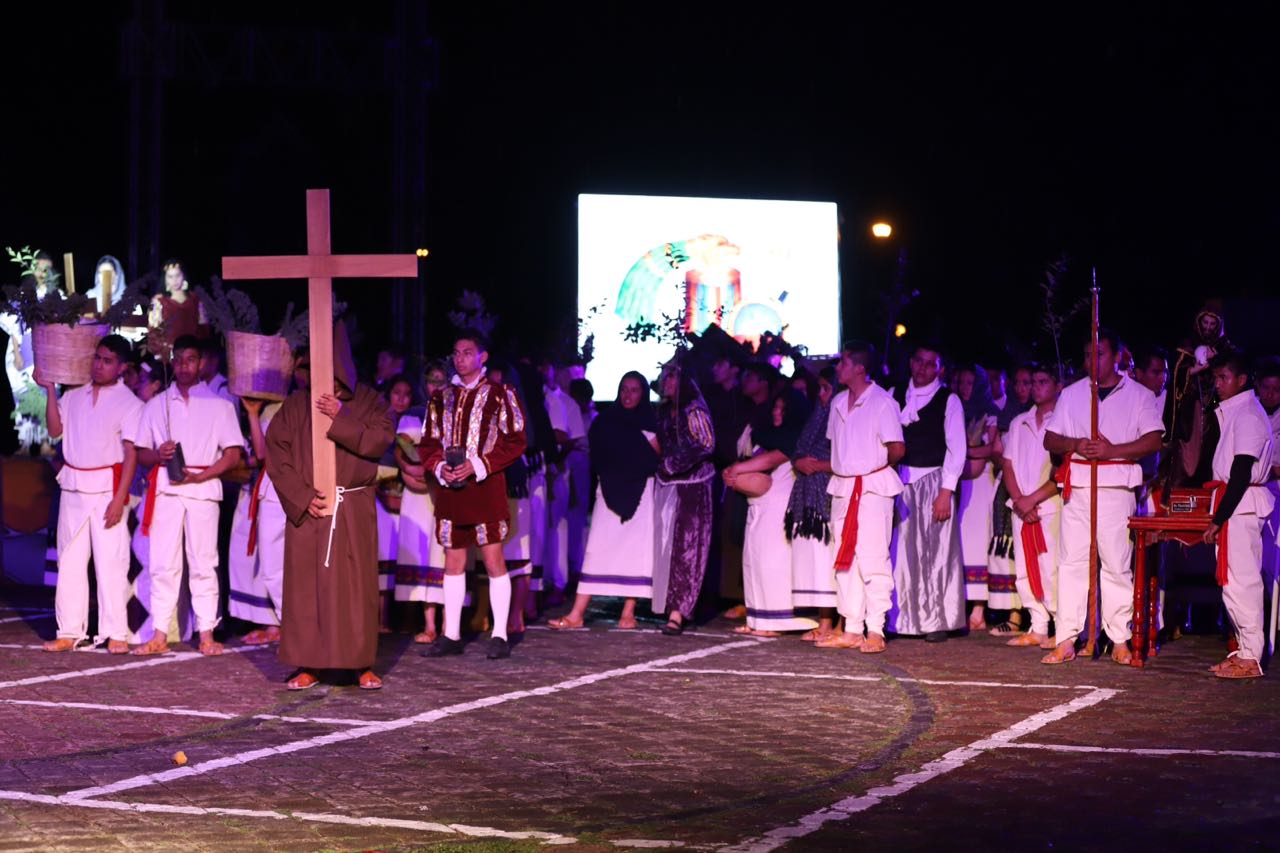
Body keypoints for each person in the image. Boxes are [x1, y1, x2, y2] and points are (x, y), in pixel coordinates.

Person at [266, 322, 395, 690]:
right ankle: (310, 663)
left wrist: (342, 416)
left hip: (351, 506)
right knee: (307, 589)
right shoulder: (294, 406)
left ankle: (359, 663)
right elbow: (278, 456)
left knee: (356, 589)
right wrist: (304, 498)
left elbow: (378, 441)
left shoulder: (368, 401)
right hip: (310, 509)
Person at [1042, 329, 1163, 665]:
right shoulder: (1073, 394)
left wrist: (1112, 449)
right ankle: (1067, 636)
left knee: (1115, 563)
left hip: (1115, 485)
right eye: (1087, 355)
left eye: (1099, 354)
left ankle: (1119, 638)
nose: (1092, 362)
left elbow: (1153, 440)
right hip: (1079, 485)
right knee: (1072, 561)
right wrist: (1075, 444)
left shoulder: (1139, 395)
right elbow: (1050, 439)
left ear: (1117, 355)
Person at [132, 335, 244, 656]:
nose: (184, 366)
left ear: (202, 363)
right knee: (163, 563)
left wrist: (205, 474)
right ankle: (159, 634)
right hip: (168, 488)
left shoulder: (220, 406)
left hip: (204, 489)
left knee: (203, 561)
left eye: (191, 359)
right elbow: (141, 454)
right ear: (172, 361)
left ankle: (206, 632)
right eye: (179, 359)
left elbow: (233, 454)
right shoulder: (156, 405)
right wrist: (159, 454)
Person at [420, 329, 527, 661]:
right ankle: (451, 633)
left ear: (482, 357)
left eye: (467, 352)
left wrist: (478, 465)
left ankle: (499, 634)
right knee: (453, 560)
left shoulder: (499, 393)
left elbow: (516, 440)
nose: (460, 357)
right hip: (452, 490)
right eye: (456, 352)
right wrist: (440, 467)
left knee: (493, 559)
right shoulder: (441, 397)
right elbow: (429, 442)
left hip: (485, 487)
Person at [37, 335, 143, 654]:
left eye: (107, 360)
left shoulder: (130, 403)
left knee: (111, 561)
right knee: (69, 560)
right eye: (97, 358)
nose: (99, 365)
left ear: (122, 367)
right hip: (72, 485)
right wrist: (51, 390)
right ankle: (69, 630)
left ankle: (116, 632)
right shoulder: (74, 395)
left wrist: (119, 497)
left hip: (107, 489)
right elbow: (55, 430)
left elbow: (131, 454)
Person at [811, 342, 904, 652]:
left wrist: (870, 469)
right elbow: (836, 446)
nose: (838, 368)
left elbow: (897, 448)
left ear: (860, 368)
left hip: (873, 488)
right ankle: (851, 627)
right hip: (842, 487)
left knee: (873, 557)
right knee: (844, 558)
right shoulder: (838, 402)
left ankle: (875, 629)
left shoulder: (882, 402)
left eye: (844, 363)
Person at [550, 371, 659, 630]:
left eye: (634, 390)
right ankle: (577, 614)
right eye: (624, 389)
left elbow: (658, 458)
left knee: (636, 550)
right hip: (608, 490)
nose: (628, 395)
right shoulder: (605, 421)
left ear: (643, 394)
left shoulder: (649, 423)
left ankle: (628, 612)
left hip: (641, 492)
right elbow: (596, 456)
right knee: (596, 548)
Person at [1202, 352, 1275, 678]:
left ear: (1242, 380)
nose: (1218, 385)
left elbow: (1242, 470)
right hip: (1236, 501)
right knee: (1233, 582)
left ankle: (1251, 656)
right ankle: (1246, 650)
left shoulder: (1247, 414)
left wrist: (1218, 519)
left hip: (1241, 503)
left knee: (1242, 581)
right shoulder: (1236, 413)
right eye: (1216, 379)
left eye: (1224, 378)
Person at [890, 344, 967, 642]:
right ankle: (900, 619)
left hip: (934, 480)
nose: (922, 368)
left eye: (930, 364)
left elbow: (957, 447)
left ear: (940, 370)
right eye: (918, 361)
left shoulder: (948, 400)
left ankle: (937, 620)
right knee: (900, 553)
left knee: (935, 552)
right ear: (911, 362)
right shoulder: (894, 394)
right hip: (900, 482)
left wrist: (946, 491)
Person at [724, 387, 816, 636]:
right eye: (775, 407)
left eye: (782, 409)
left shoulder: (794, 436)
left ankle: (777, 621)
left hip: (779, 505)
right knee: (753, 562)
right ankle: (757, 618)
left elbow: (768, 462)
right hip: (758, 507)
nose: (777, 412)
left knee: (773, 563)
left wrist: (735, 470)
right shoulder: (767, 435)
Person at [1000, 364, 1062, 650]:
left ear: (1057, 385)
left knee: (1052, 566)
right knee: (1024, 567)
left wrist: (1033, 499)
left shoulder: (1062, 421)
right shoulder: (1019, 422)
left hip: (1049, 504)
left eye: (1042, 381)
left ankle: (1062, 625)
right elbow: (1008, 464)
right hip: (1023, 506)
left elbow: (1062, 471)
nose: (1036, 387)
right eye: (1033, 382)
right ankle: (1037, 624)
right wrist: (1020, 500)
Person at [651, 362, 716, 635]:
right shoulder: (666, 412)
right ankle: (667, 605)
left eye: (671, 377)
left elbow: (705, 443)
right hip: (669, 485)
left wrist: (673, 463)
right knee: (666, 547)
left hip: (693, 486)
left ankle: (679, 611)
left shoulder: (693, 410)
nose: (665, 381)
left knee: (687, 550)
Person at [393, 361, 450, 644]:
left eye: (441, 381)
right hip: (418, 497)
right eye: (431, 380)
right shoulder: (414, 415)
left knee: (443, 553)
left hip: (444, 492)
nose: (436, 386)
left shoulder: (454, 414)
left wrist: (430, 470)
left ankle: (449, 624)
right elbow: (402, 446)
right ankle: (429, 624)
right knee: (422, 551)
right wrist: (409, 467)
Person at [227, 397, 287, 644]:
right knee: (246, 559)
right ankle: (268, 623)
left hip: (274, 491)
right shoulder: (241, 409)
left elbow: (263, 454)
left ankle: (279, 624)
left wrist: (253, 414)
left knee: (273, 560)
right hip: (252, 491)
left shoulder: (280, 410)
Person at [788, 365, 839, 641]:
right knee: (816, 559)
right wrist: (800, 461)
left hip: (829, 494)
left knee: (830, 557)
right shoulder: (817, 416)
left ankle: (837, 622)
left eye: (825, 388)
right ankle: (824, 621)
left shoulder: (842, 415)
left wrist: (817, 464)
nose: (820, 395)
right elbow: (799, 448)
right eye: (819, 388)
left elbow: (850, 457)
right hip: (808, 495)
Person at [375, 374, 415, 631]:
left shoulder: (413, 424)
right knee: (382, 558)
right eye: (396, 393)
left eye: (407, 394)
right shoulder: (380, 423)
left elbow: (413, 457)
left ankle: (408, 619)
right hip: (379, 496)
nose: (401, 398)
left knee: (407, 558)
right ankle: (381, 619)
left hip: (407, 498)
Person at [147, 260, 209, 358]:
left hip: (193, 356)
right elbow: (153, 333)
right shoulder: (158, 301)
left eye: (178, 275)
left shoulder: (196, 299)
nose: (174, 280)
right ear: (165, 279)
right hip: (168, 357)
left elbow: (204, 330)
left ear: (184, 276)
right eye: (170, 277)